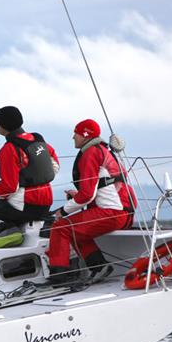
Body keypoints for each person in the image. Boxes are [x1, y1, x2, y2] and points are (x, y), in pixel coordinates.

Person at [46, 119, 137, 285]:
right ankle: (99, 267)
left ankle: (58, 278)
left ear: (85, 135)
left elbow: (87, 194)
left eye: (76, 133)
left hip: (112, 213)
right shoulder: (103, 150)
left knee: (61, 228)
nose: (73, 137)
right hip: (123, 212)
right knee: (75, 230)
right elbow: (102, 189)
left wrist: (64, 211)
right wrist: (76, 195)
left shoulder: (91, 153)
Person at [0, 106, 59, 241]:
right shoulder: (38, 140)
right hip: (46, 203)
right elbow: (55, 167)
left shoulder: (9, 149)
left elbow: (9, 187)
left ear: (0, 125)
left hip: (25, 206)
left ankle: (11, 233)